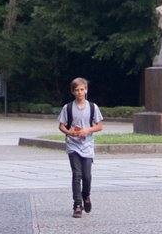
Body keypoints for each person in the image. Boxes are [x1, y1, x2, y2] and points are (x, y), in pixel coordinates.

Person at [57, 77, 104, 218]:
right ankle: (77, 204)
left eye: (82, 89)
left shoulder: (93, 107)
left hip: (87, 146)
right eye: (76, 90)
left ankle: (86, 195)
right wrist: (69, 132)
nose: (79, 92)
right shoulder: (68, 108)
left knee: (87, 176)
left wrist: (88, 130)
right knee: (77, 175)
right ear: (73, 92)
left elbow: (100, 125)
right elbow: (61, 125)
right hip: (73, 145)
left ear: (86, 90)